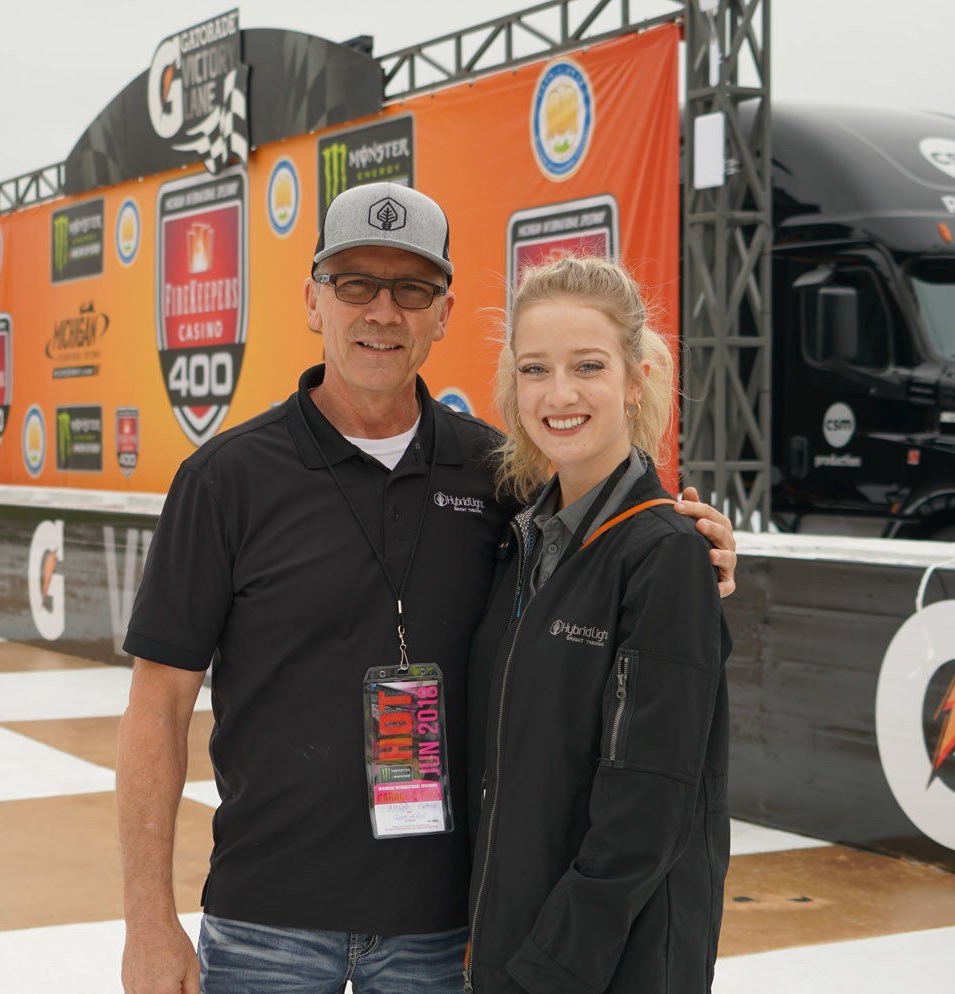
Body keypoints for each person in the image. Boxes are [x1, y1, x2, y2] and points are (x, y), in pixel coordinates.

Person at [117, 183, 737, 994]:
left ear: (443, 312)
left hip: (444, 934)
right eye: (355, 285)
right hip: (266, 921)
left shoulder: (502, 478)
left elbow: (607, 539)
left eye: (410, 289)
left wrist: (696, 547)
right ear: (313, 300)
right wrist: (147, 922)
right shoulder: (225, 481)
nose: (382, 311)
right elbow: (156, 709)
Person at [463, 255, 731, 994]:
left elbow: (651, 805)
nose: (559, 394)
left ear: (635, 377)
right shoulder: (523, 541)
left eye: (587, 366)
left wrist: (549, 969)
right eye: (535, 369)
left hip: (603, 965)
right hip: (513, 945)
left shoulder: (666, 555)